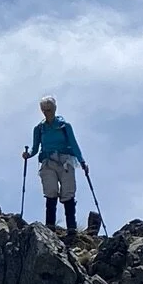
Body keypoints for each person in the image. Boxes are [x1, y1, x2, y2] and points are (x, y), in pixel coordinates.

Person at [22, 95, 88, 241]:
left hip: (65, 161)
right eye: (44, 110)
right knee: (50, 192)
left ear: (54, 109)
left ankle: (72, 229)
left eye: (49, 109)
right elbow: (35, 147)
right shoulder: (39, 129)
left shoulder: (64, 126)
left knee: (68, 193)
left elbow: (74, 144)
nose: (47, 113)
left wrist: (82, 162)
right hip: (47, 162)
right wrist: (28, 155)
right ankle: (50, 227)